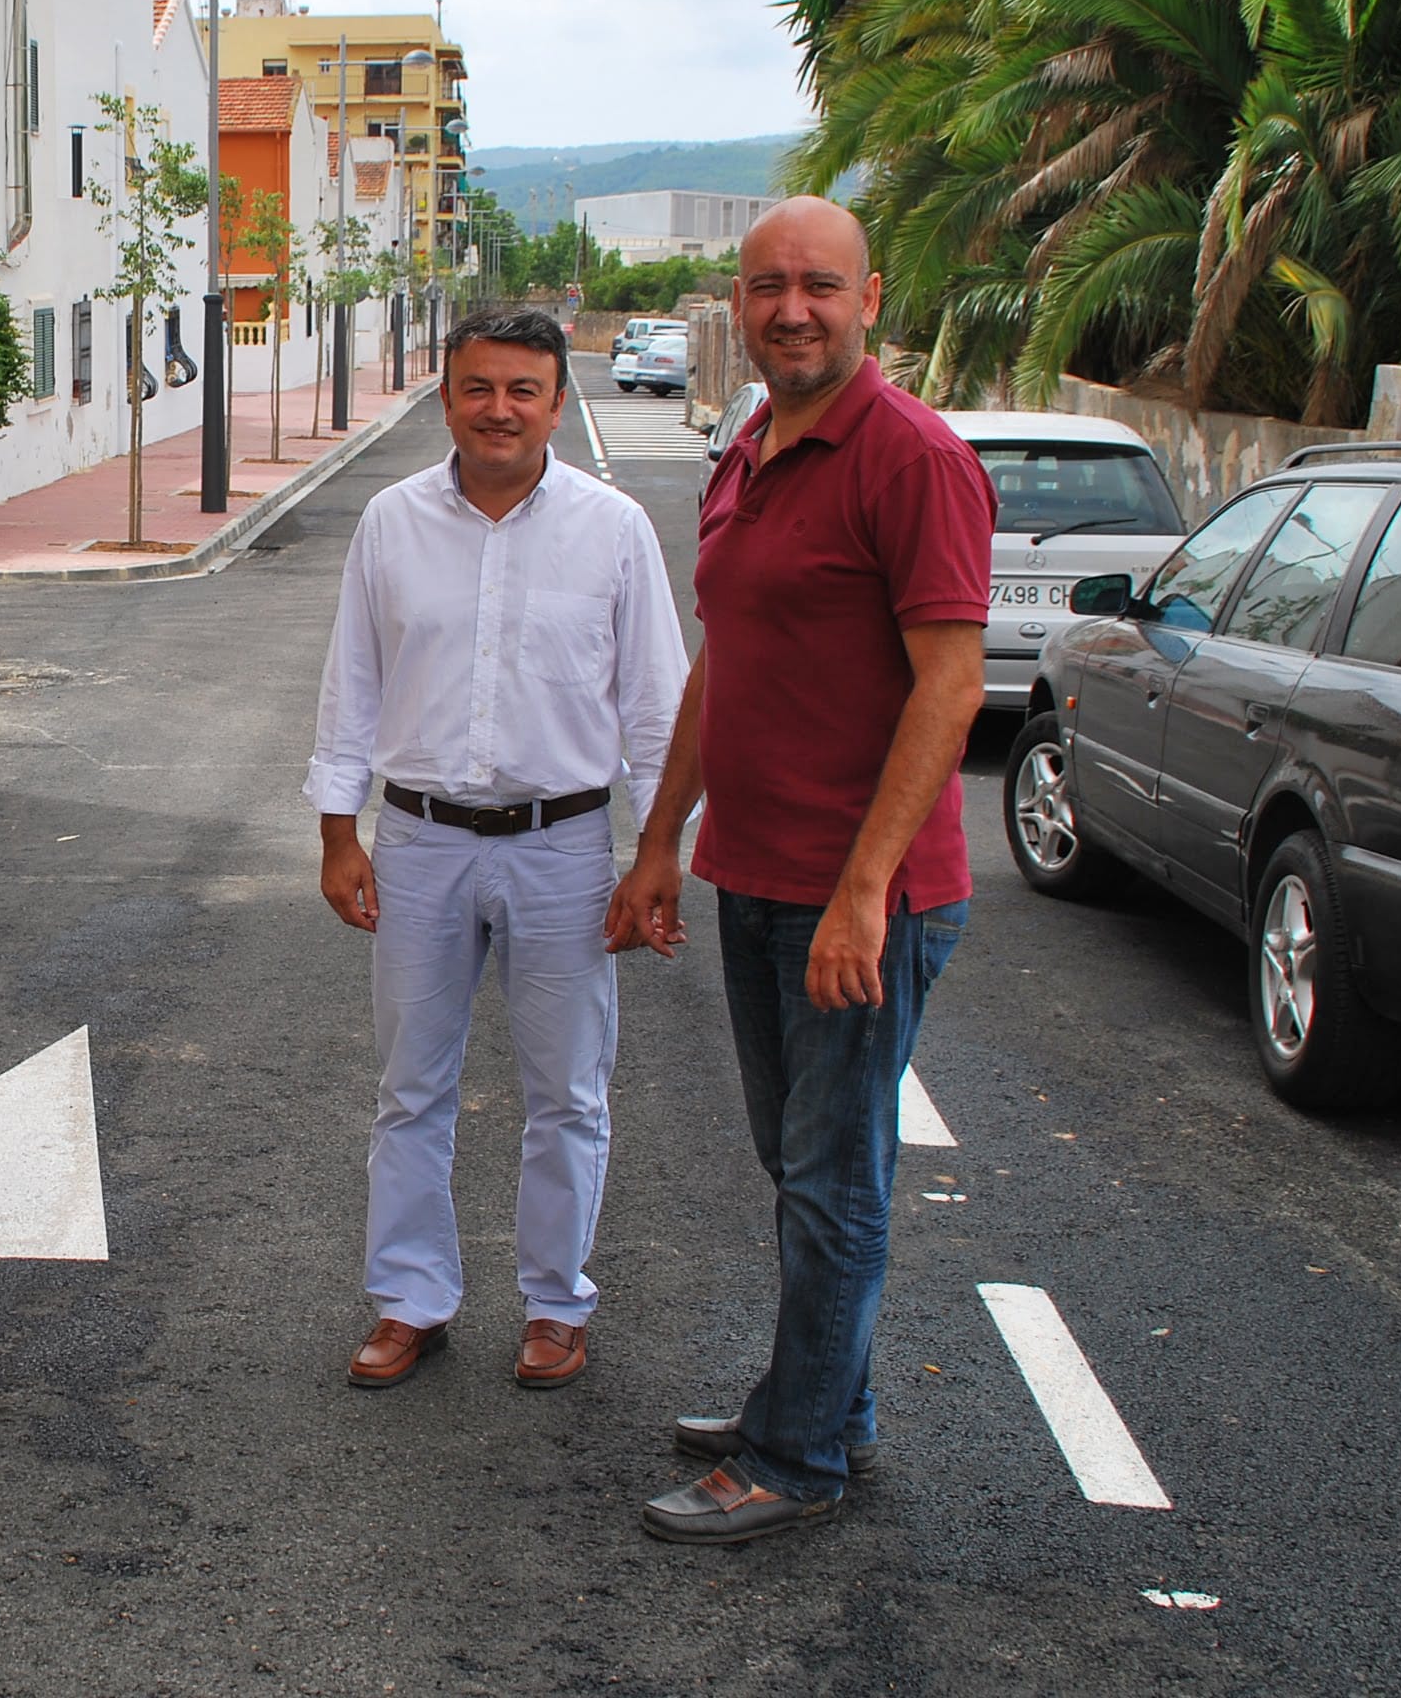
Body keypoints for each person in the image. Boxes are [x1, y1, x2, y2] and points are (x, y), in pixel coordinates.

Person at [605, 197, 994, 1543]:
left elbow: (951, 687)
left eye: (819, 287)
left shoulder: (913, 459)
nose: (792, 310)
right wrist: (662, 842)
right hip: (756, 877)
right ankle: (832, 1404)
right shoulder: (752, 447)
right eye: (769, 287)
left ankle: (799, 1456)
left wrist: (867, 888)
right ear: (740, 298)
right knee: (799, 1161)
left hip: (857, 898)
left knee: (833, 1178)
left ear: (869, 298)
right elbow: (725, 663)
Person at [310, 307, 687, 1392]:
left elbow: (657, 706)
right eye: (478, 388)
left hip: (563, 845)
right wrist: (339, 834)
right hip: (420, 839)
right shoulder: (390, 521)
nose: (499, 409)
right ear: (447, 400)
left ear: (558, 403)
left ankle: (555, 1306)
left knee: (567, 1089)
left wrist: (656, 854)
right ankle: (408, 1301)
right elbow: (353, 682)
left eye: (523, 389)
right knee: (409, 1087)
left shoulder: (611, 530)